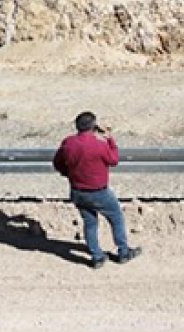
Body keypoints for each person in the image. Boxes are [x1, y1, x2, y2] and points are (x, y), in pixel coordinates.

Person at [51, 111, 141, 269]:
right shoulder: (99, 145)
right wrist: (110, 139)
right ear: (94, 126)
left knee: (90, 223)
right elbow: (114, 160)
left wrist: (68, 174)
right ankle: (123, 251)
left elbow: (57, 163)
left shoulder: (68, 143)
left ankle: (97, 256)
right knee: (116, 217)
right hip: (99, 192)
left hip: (78, 191)